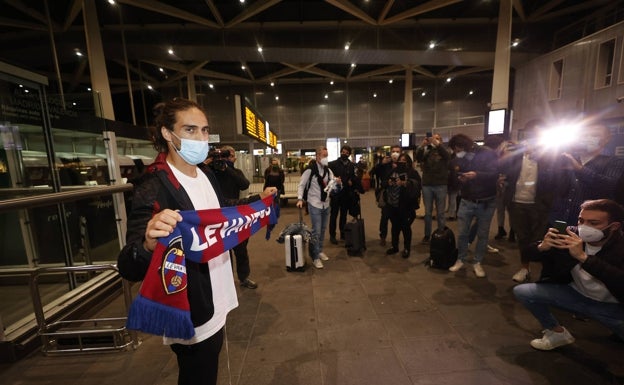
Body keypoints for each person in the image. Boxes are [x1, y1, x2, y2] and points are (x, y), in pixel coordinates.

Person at [117, 98, 276, 385]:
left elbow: (220, 211)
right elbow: (128, 263)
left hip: (218, 292)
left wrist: (258, 201)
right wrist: (149, 244)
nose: (201, 138)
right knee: (197, 375)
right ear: (168, 134)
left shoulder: (206, 175)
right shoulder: (153, 184)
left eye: (204, 130)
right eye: (190, 130)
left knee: (209, 367)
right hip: (191, 305)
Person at [513, 199, 624, 350]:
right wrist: (541, 247)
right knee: (524, 292)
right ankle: (557, 333)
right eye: (581, 220)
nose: (584, 227)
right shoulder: (569, 235)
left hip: (610, 306)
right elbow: (527, 254)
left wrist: (583, 258)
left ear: (614, 226)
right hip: (576, 295)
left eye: (594, 223)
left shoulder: (620, 248)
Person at [498, 121, 557, 282]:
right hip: (517, 201)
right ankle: (525, 268)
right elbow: (503, 169)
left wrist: (540, 156)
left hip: (540, 204)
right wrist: (504, 155)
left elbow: (556, 179)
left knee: (541, 238)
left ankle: (546, 273)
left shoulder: (552, 153)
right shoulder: (517, 152)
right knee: (522, 238)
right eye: (531, 134)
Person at [549, 123, 624, 226]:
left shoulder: (614, 162)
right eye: (584, 135)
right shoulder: (567, 158)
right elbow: (550, 185)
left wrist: (580, 169)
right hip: (559, 219)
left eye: (594, 135)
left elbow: (609, 186)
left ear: (607, 139)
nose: (588, 138)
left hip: (590, 224)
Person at [447, 133, 499, 278]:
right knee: (463, 233)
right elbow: (455, 176)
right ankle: (461, 259)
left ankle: (477, 262)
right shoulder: (459, 158)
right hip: (466, 200)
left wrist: (477, 174)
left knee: (482, 234)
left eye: (458, 150)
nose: (457, 153)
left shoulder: (487, 153)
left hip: (486, 201)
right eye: (455, 151)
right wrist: (461, 180)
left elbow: (495, 173)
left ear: (465, 145)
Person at [208, 145, 258, 290]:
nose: (225, 159)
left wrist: (226, 169)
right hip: (216, 218)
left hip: (235, 217)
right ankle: (226, 281)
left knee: (241, 249)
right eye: (223, 156)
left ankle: (244, 277)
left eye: (229, 156)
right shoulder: (210, 173)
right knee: (223, 253)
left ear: (234, 158)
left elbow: (244, 185)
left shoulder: (235, 172)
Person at [296, 146, 342, 269]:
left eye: (327, 155)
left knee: (322, 229)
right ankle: (315, 256)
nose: (325, 158)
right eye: (323, 155)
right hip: (314, 203)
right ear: (317, 156)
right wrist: (300, 199)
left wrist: (338, 183)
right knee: (316, 231)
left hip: (326, 204)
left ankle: (319, 250)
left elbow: (333, 185)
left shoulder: (328, 171)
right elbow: (301, 185)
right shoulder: (309, 170)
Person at [382, 152, 421, 258]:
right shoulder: (393, 171)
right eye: (400, 160)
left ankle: (407, 248)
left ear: (408, 162)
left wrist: (405, 184)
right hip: (392, 204)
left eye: (404, 160)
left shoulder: (412, 172)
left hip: (406, 205)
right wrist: (389, 182)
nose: (402, 162)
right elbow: (383, 183)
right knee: (394, 227)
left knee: (406, 228)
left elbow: (418, 186)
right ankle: (394, 246)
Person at [415, 133, 450, 244]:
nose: (435, 140)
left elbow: (448, 157)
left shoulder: (444, 151)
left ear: (441, 141)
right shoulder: (427, 150)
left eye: (438, 139)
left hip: (441, 184)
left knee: (440, 212)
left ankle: (441, 233)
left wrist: (438, 145)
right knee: (428, 212)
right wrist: (422, 145)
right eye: (433, 138)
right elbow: (418, 158)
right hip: (427, 185)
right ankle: (427, 235)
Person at [328, 145, 363, 244]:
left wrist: (352, 181)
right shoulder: (333, 164)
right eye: (343, 152)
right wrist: (336, 179)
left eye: (347, 153)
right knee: (334, 215)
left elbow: (355, 177)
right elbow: (329, 177)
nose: (345, 154)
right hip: (335, 194)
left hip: (346, 195)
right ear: (340, 152)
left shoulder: (352, 165)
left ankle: (343, 235)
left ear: (349, 154)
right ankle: (332, 235)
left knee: (343, 216)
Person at [373, 144, 402, 246]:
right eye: (394, 151)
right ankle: (383, 236)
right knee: (385, 217)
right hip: (387, 195)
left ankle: (395, 238)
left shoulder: (403, 164)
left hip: (399, 196)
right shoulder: (386, 165)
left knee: (397, 219)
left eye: (398, 151)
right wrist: (381, 163)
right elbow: (375, 174)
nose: (395, 153)